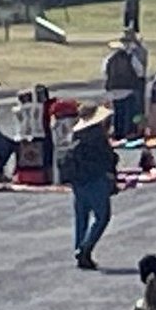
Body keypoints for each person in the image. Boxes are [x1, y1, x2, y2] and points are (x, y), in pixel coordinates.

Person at [64, 106, 117, 271]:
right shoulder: (98, 137)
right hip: (96, 179)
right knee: (102, 217)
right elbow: (108, 158)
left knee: (82, 217)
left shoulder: (76, 136)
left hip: (78, 181)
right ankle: (85, 248)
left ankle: (79, 248)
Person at [102, 31, 146, 141]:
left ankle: (118, 132)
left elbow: (104, 72)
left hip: (113, 89)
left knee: (117, 111)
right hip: (128, 88)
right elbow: (140, 72)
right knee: (129, 111)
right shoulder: (131, 57)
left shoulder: (109, 58)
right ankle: (128, 132)